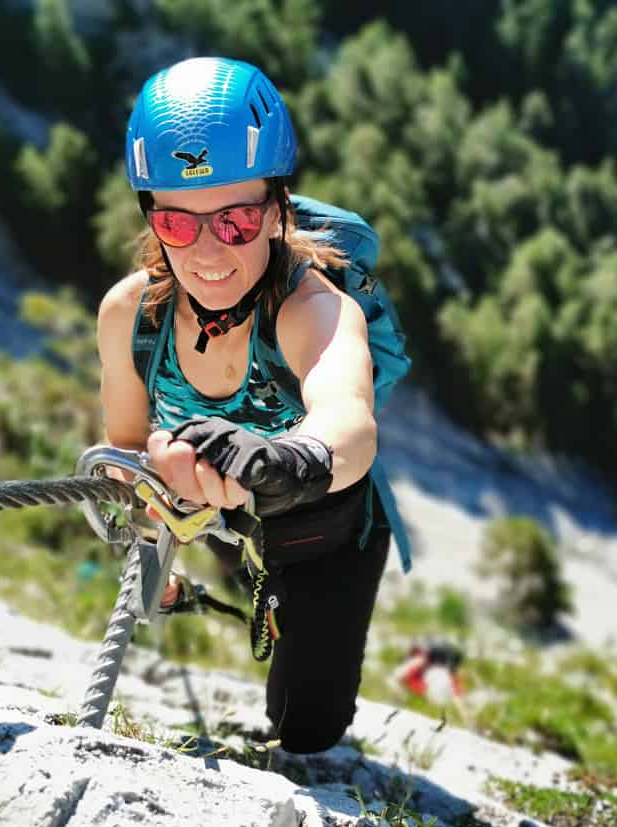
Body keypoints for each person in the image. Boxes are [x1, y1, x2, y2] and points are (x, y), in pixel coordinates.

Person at [96, 56, 403, 754]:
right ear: (151, 216)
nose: (207, 252)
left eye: (235, 221)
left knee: (305, 728)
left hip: (325, 524)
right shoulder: (131, 315)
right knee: (189, 475)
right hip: (231, 511)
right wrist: (157, 536)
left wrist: (292, 459)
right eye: (178, 225)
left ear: (277, 210)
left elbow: (349, 423)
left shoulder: (312, 309)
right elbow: (126, 453)